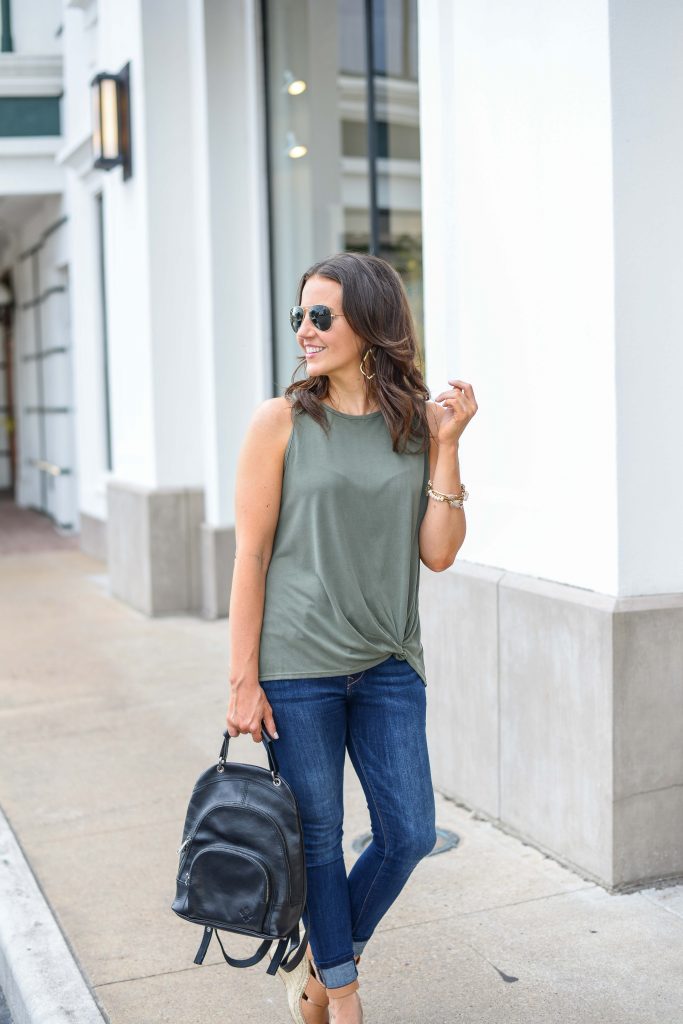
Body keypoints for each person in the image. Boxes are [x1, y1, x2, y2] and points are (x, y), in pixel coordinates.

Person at [226, 252, 477, 1024]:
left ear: (369, 324)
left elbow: (437, 551)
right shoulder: (281, 421)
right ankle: (341, 997)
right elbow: (252, 553)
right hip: (297, 666)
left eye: (322, 316)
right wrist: (242, 677)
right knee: (322, 837)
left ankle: (323, 962)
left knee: (407, 833)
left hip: (388, 664)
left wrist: (447, 444)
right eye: (300, 315)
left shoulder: (414, 425)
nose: (305, 329)